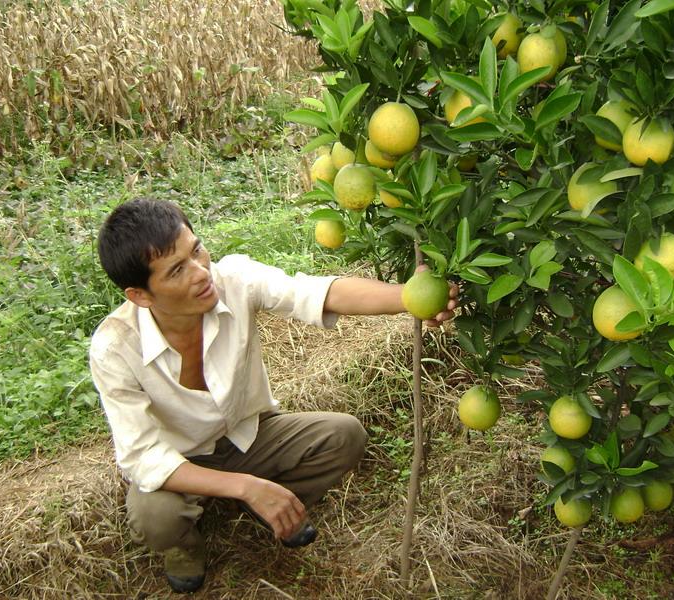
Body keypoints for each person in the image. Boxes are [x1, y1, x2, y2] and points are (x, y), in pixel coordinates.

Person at [89, 197, 457, 593]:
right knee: (154, 517)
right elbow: (144, 458)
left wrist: (407, 298)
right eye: (178, 270)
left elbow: (317, 294)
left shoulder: (234, 279)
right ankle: (186, 543)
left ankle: (274, 504)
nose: (201, 273)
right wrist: (246, 485)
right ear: (141, 295)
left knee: (344, 437)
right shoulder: (115, 348)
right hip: (181, 461)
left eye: (196, 250)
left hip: (249, 435)